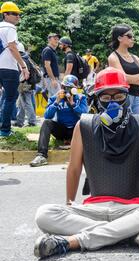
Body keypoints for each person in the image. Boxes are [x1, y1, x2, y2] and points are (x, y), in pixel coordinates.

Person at [33, 68, 139, 259]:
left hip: (132, 208)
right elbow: (74, 169)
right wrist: (69, 203)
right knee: (44, 214)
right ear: (96, 100)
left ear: (127, 97)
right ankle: (126, 233)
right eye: (105, 98)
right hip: (92, 210)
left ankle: (71, 242)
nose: (113, 102)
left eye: (119, 95)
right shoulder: (83, 126)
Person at [30, 75, 88, 167]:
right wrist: (56, 102)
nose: (68, 90)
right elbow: (47, 116)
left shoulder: (81, 98)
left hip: (76, 130)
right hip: (62, 130)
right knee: (47, 123)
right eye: (65, 87)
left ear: (75, 89)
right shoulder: (54, 98)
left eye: (71, 88)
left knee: (85, 123)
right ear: (62, 87)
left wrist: (73, 104)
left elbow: (85, 115)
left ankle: (87, 154)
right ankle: (41, 155)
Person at [0, 1, 29, 137]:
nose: (18, 16)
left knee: (5, 97)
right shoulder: (10, 28)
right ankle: (5, 130)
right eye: (14, 14)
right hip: (8, 68)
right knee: (11, 98)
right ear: (5, 14)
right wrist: (23, 66)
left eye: (18, 14)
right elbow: (12, 47)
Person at [108, 24, 139, 115]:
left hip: (138, 97)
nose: (133, 39)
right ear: (119, 38)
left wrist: (131, 79)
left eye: (133, 36)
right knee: (127, 127)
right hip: (123, 98)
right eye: (129, 36)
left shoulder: (135, 57)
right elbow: (123, 78)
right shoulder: (113, 57)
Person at [15, 42, 37, 127]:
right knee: (21, 102)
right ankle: (19, 121)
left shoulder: (21, 59)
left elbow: (22, 74)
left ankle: (32, 122)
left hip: (24, 84)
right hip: (29, 83)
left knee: (26, 102)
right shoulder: (27, 58)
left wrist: (18, 84)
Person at [41, 33, 61, 98]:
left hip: (53, 78)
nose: (57, 40)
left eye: (58, 39)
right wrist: (53, 79)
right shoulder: (48, 50)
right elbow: (47, 65)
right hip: (51, 78)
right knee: (58, 97)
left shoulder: (52, 51)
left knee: (52, 99)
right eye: (55, 39)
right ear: (49, 40)